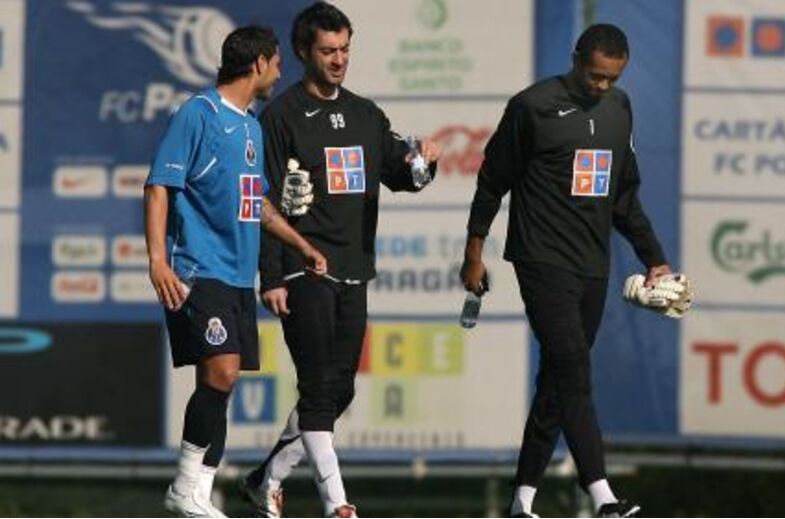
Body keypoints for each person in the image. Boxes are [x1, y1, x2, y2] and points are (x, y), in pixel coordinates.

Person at [460, 24, 673, 518]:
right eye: (595, 76)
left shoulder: (620, 109)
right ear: (577, 59)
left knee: (558, 383)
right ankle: (602, 496)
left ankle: (521, 502)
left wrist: (654, 258)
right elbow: (492, 180)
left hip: (591, 264)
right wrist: (475, 250)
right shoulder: (532, 106)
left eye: (611, 79)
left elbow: (624, 197)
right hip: (541, 258)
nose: (601, 87)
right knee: (574, 367)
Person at [237, 3, 441, 518]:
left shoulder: (366, 114)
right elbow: (264, 204)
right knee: (318, 385)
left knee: (339, 388)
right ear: (304, 51)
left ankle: (267, 477)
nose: (339, 59)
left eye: (345, 49)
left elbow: (403, 174)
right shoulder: (279, 117)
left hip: (354, 269)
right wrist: (273, 275)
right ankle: (337, 504)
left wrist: (425, 163)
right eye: (328, 50)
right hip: (304, 270)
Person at [145, 26, 327, 518]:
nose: (279, 71)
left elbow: (259, 203)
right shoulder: (197, 114)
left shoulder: (251, 125)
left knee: (222, 382)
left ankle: (198, 493)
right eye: (275, 62)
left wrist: (299, 242)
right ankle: (184, 486)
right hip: (196, 270)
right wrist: (158, 259)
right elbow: (160, 186)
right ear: (258, 65)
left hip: (237, 276)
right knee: (221, 370)